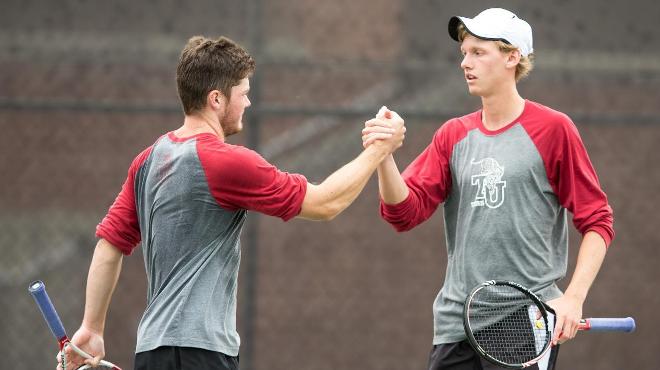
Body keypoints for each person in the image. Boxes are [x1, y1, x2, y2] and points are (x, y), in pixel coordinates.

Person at [57, 35, 405, 370]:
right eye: (244, 93)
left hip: (153, 350)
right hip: (198, 354)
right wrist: (379, 149)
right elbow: (325, 203)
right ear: (216, 99)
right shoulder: (226, 162)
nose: (248, 103)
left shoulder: (147, 160)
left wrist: (92, 327)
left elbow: (109, 245)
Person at [362, 8, 614, 370]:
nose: (466, 62)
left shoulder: (554, 129)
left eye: (479, 52)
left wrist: (573, 299)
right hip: (454, 324)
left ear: (513, 57)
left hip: (524, 320)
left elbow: (598, 221)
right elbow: (402, 213)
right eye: (464, 53)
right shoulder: (452, 134)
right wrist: (384, 156)